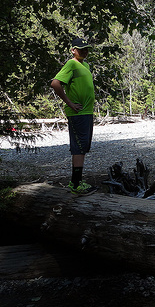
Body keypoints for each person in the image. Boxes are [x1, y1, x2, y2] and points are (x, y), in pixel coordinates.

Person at [50, 37, 97, 194]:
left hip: (86, 112)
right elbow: (55, 83)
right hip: (78, 113)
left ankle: (78, 182)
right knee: (78, 148)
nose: (84, 51)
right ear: (73, 50)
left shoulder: (86, 65)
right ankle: (75, 184)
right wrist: (69, 103)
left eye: (86, 49)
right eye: (81, 49)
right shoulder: (71, 64)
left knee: (83, 147)